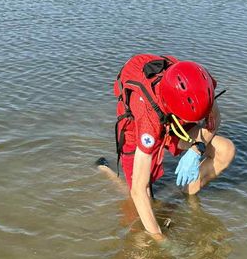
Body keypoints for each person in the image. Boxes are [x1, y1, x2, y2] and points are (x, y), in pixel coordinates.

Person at [99, 54, 235, 239]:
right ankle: (104, 169)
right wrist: (160, 240)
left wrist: (196, 149)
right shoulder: (147, 119)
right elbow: (139, 191)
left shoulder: (201, 84)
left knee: (225, 150)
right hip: (137, 123)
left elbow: (215, 120)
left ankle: (184, 194)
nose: (197, 123)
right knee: (142, 195)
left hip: (172, 114)